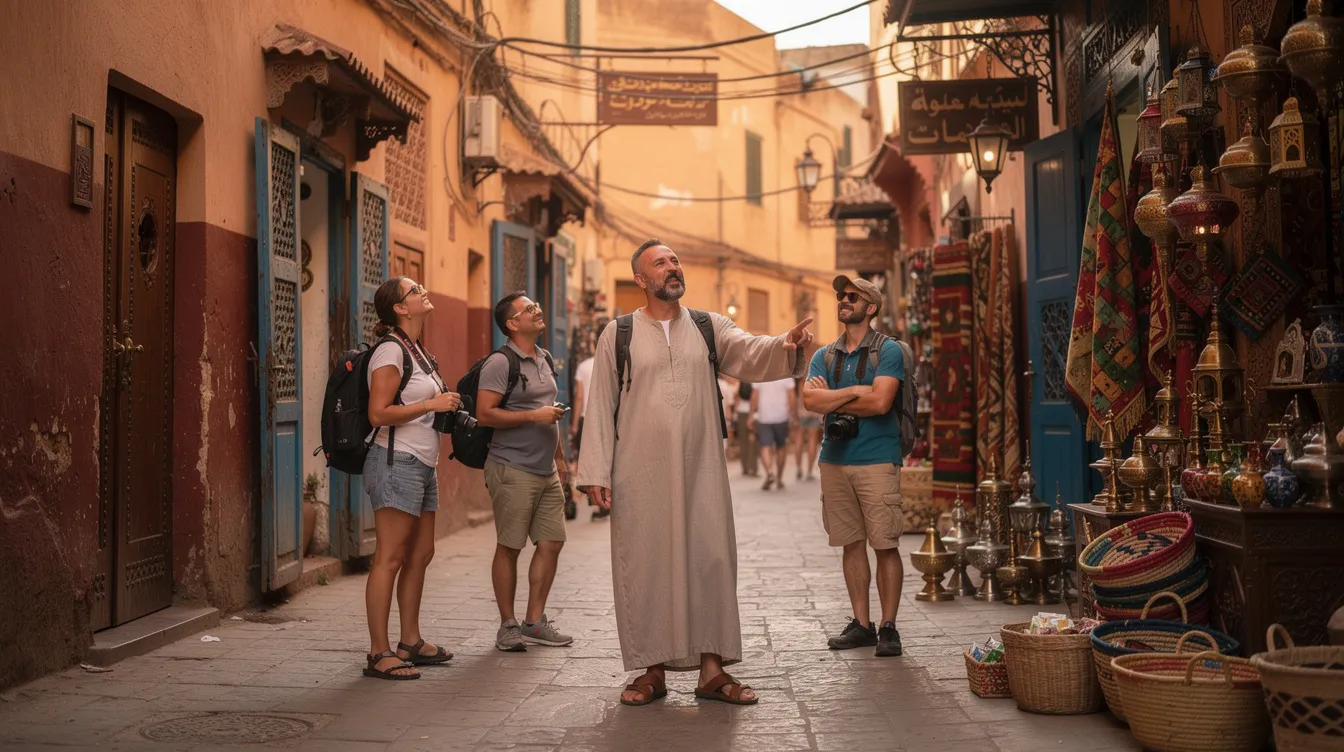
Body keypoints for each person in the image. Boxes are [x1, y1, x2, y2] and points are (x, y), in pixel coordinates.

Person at [577, 239, 814, 708]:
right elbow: (600, 404)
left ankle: (712, 670)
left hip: (702, 468)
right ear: (641, 280)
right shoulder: (617, 334)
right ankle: (652, 669)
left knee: (711, 559)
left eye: (675, 260)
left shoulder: (709, 326)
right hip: (638, 473)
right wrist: (595, 471)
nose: (672, 267)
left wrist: (786, 345)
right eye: (660, 263)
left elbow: (750, 350)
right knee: (646, 564)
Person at [801, 275, 906, 658]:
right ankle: (862, 625)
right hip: (835, 460)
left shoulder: (888, 351)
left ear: (871, 307)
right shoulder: (823, 355)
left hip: (878, 459)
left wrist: (831, 398)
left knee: (886, 544)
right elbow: (809, 402)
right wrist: (853, 392)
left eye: (852, 296)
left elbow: (881, 404)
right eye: (840, 296)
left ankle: (889, 626)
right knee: (851, 543)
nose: (843, 300)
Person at [362, 277, 460, 680]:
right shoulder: (389, 350)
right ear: (399, 308)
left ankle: (410, 642)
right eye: (414, 290)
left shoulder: (417, 351)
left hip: (422, 462)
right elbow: (378, 413)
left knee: (421, 555)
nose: (423, 290)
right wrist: (430, 403)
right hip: (394, 461)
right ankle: (379, 652)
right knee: (391, 556)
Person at [476, 292, 573, 652]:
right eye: (529, 308)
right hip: (511, 467)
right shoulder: (500, 363)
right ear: (512, 324)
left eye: (536, 304)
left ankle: (534, 622)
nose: (538, 309)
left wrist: (561, 459)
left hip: (546, 469)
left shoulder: (545, 357)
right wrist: (534, 416)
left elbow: (550, 410)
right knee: (510, 546)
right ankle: (507, 625)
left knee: (552, 542)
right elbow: (485, 414)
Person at [750, 377, 795, 490]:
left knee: (765, 446)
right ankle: (779, 478)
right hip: (782, 416)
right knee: (781, 447)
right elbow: (791, 395)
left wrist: (751, 415)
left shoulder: (760, 372)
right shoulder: (786, 373)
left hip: (764, 416)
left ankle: (770, 473)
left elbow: (755, 395)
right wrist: (792, 414)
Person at [794, 368, 823, 482]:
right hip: (813, 413)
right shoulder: (814, 383)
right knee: (812, 441)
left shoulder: (799, 385)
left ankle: (798, 468)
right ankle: (809, 471)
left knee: (799, 440)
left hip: (801, 414)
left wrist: (794, 415)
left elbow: (796, 399)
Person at [734, 380, 758, 476]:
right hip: (753, 413)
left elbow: (735, 396)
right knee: (753, 441)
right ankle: (753, 468)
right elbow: (755, 397)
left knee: (743, 442)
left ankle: (745, 468)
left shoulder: (740, 381)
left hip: (741, 412)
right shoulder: (755, 381)